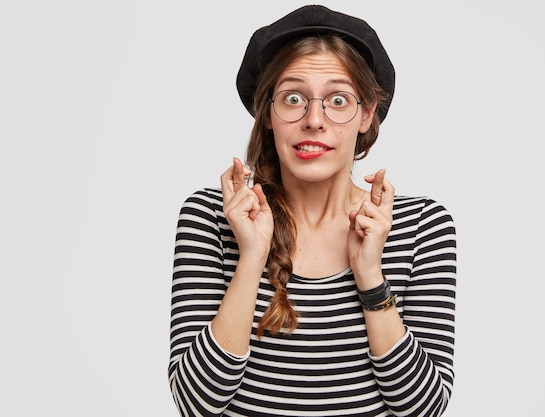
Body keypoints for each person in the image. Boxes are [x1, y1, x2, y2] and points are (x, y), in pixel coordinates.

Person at [168, 5, 456, 416]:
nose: (314, 120)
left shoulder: (422, 227)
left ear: (367, 114)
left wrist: (371, 276)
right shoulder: (212, 217)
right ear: (268, 113)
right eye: (293, 98)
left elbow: (423, 408)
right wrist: (251, 257)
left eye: (338, 99)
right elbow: (196, 404)